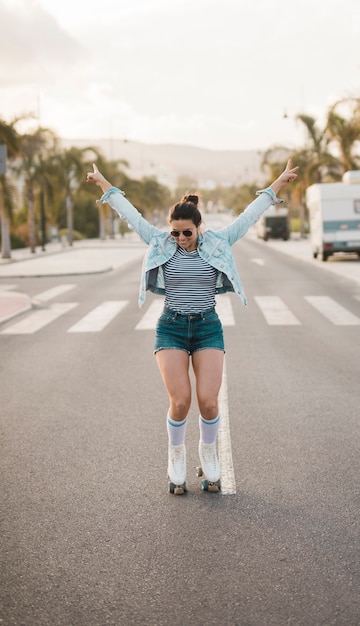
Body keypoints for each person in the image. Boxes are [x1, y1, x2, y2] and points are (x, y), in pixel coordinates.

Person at [86, 159, 299, 494]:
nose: (181, 238)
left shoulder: (219, 241)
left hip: (207, 327)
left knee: (209, 402)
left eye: (187, 232)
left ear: (199, 227)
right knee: (181, 400)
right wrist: (103, 185)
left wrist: (279, 184)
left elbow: (249, 215)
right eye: (176, 232)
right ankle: (175, 456)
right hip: (170, 327)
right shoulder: (161, 242)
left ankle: (209, 453)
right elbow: (131, 215)